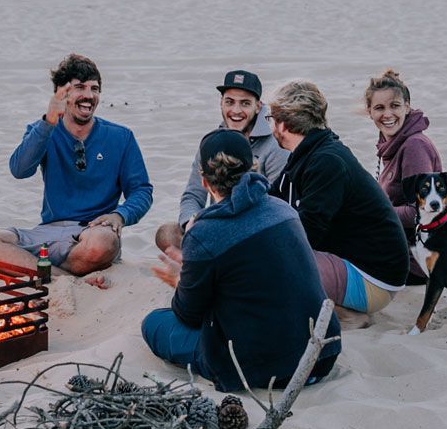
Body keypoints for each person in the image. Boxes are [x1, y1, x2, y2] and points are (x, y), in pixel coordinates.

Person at [142, 129, 340, 391]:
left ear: (204, 181)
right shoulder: (284, 210)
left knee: (154, 323)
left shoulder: (204, 232)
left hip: (266, 370)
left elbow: (188, 314)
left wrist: (182, 279)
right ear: (253, 168)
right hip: (323, 356)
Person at [0, 53, 153, 283]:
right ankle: (63, 279)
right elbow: (19, 170)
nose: (89, 95)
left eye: (94, 89)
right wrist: (48, 122)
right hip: (48, 232)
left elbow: (142, 191)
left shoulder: (121, 136)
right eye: (80, 87)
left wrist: (120, 215)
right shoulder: (44, 129)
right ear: (62, 94)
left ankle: (36, 269)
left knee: (103, 244)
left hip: (93, 232)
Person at [267, 80, 409, 317]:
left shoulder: (327, 161)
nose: (270, 125)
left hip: (374, 280)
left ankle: (344, 315)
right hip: (353, 265)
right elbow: (270, 200)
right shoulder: (307, 154)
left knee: (268, 263)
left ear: (282, 124)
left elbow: (309, 233)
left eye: (270, 119)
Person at [154, 69, 289, 252]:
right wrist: (191, 223)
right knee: (167, 234)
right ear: (221, 103)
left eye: (245, 103)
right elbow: (193, 194)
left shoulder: (275, 145)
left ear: (258, 106)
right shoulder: (212, 142)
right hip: (215, 225)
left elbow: (276, 204)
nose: (236, 110)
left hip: (255, 229)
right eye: (229, 102)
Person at [365, 69, 443, 282]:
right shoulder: (390, 143)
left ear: (407, 107)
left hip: (416, 259)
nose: (387, 114)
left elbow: (422, 212)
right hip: (393, 240)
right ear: (369, 112)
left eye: (395, 106)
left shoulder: (414, 146)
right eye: (379, 108)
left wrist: (374, 213)